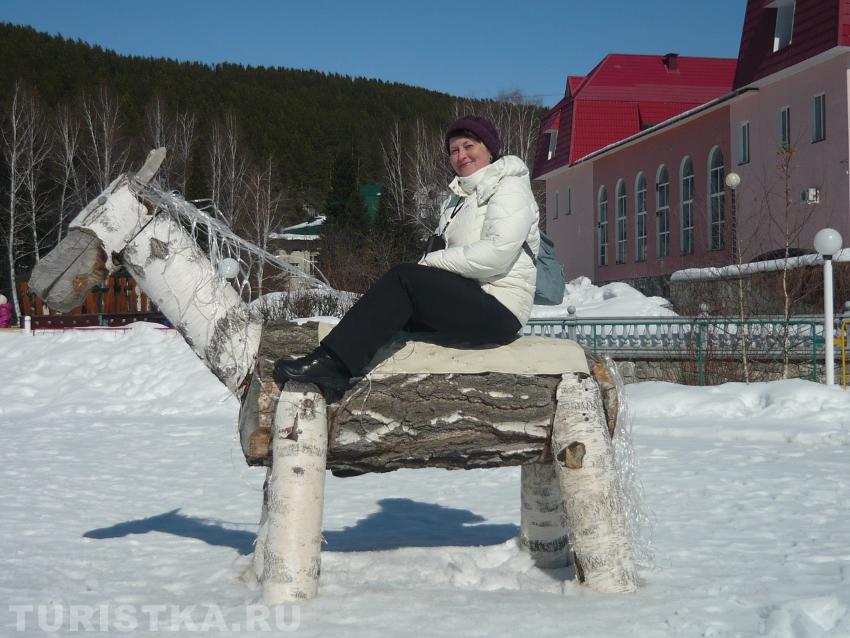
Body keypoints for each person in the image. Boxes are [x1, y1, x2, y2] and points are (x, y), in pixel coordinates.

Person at [274, 115, 540, 401]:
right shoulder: (458, 199)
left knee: (405, 279)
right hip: (473, 297)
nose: (461, 156)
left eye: (468, 146)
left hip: (500, 307)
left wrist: (429, 264)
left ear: (489, 148)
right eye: (453, 150)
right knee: (393, 307)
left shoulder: (509, 187)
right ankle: (345, 378)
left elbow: (498, 254)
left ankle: (332, 364)